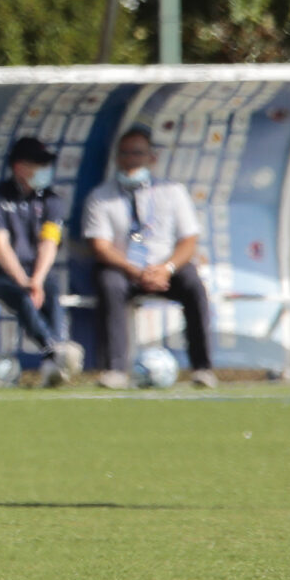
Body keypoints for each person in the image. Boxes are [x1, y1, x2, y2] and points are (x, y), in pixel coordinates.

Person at [82, 125, 217, 390]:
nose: (131, 159)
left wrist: (166, 268)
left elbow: (189, 240)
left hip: (165, 267)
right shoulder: (101, 196)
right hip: (124, 268)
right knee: (109, 283)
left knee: (193, 284)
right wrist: (133, 270)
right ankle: (115, 370)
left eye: (137, 153)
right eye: (125, 154)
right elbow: (99, 245)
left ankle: (203, 368)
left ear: (151, 157)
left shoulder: (172, 191)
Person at [0, 136, 77, 387]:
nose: (44, 170)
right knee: (24, 298)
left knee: (52, 290)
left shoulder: (51, 200)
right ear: (19, 167)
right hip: (2, 274)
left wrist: (36, 279)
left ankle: (54, 359)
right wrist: (23, 280)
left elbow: (49, 242)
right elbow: (0, 244)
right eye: (37, 163)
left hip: (37, 272)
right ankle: (54, 350)